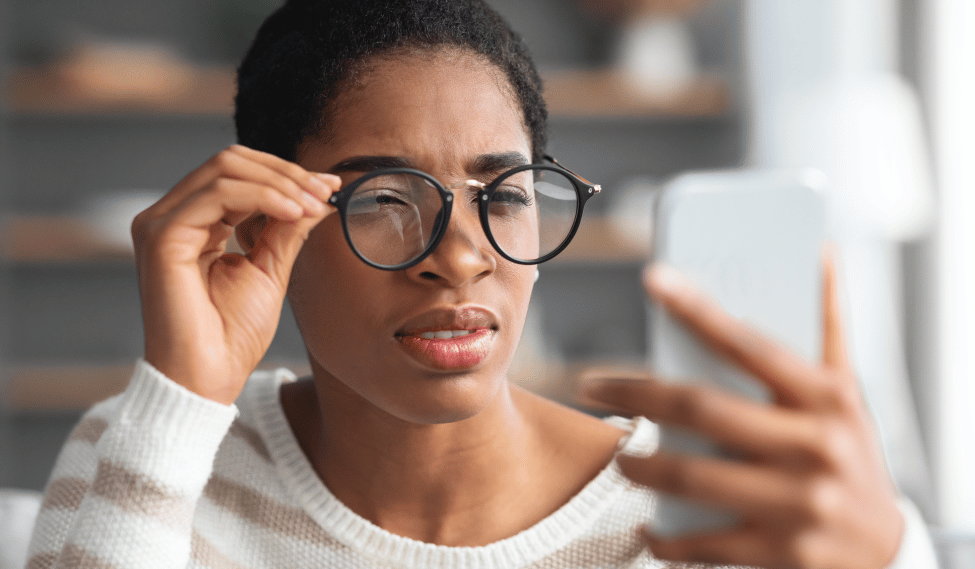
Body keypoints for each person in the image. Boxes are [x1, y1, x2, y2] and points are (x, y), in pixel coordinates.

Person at [25, 1, 937, 567]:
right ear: (269, 214)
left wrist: (893, 560)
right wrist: (180, 394)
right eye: (386, 196)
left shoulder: (694, 511)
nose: (460, 256)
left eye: (504, 193)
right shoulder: (142, 455)